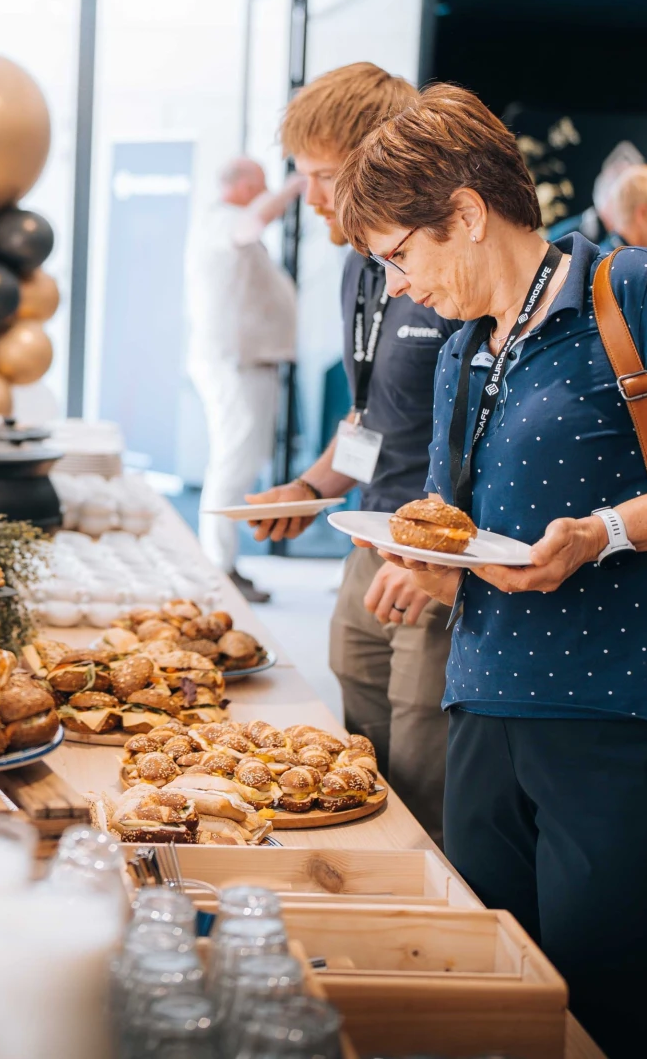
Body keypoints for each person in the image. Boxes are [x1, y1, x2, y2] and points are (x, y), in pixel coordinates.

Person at [335, 82, 647, 1059]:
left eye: (399, 255)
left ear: (465, 211)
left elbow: (591, 527)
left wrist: (601, 530)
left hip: (616, 715)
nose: (395, 284)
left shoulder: (637, 295)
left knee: (607, 1005)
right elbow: (471, 541)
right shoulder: (460, 354)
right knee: (492, 999)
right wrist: (424, 563)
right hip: (481, 706)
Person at [245, 62, 456, 844]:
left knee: (422, 776)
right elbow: (371, 415)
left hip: (431, 560)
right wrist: (309, 486)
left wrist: (430, 556)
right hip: (369, 540)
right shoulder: (358, 269)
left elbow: (483, 436)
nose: (311, 196)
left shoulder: (436, 270)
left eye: (324, 176)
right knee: (360, 764)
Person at [185, 157, 303, 603]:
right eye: (261, 180)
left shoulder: (224, 220)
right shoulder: (222, 220)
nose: (268, 186)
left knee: (238, 461)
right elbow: (251, 225)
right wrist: (294, 187)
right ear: (240, 184)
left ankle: (221, 562)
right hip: (234, 363)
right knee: (232, 463)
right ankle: (217, 566)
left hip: (249, 361)